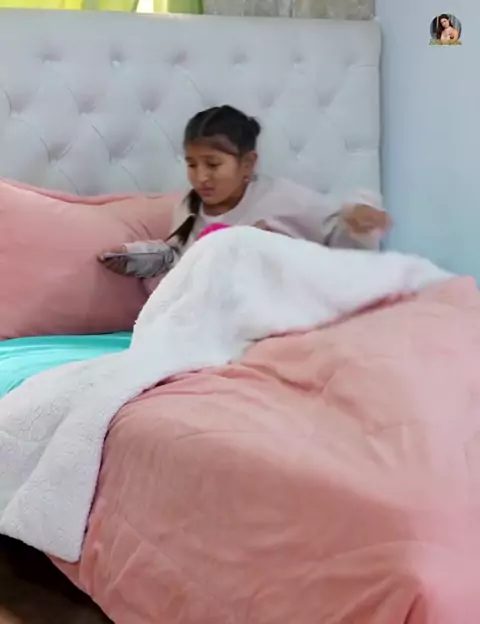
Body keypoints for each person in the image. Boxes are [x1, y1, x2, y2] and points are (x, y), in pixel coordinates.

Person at [100, 105, 390, 279]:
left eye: (213, 164)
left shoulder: (281, 198)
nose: (201, 177)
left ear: (247, 164)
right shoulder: (188, 207)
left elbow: (336, 234)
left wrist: (357, 218)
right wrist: (134, 257)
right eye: (192, 164)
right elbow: (178, 256)